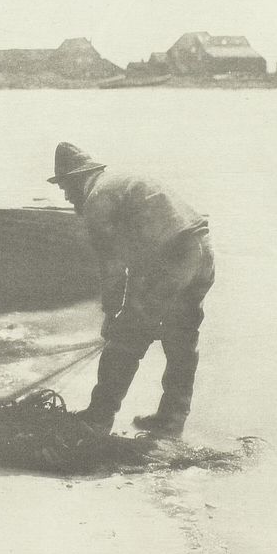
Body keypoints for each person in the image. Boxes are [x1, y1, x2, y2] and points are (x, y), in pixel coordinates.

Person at [47, 142, 215, 438]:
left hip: (173, 257)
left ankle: (98, 418)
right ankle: (171, 421)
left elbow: (112, 266)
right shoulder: (120, 182)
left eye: (65, 187)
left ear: (77, 180)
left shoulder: (97, 199)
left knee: (126, 338)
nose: (67, 196)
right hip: (202, 253)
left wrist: (113, 313)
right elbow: (137, 258)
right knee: (182, 340)